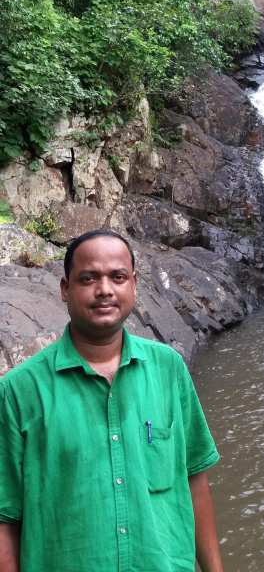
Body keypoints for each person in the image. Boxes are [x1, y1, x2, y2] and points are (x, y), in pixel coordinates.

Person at [0, 229, 224, 572]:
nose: (104, 289)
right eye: (88, 278)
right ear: (65, 289)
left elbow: (195, 479)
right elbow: (5, 520)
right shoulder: (19, 391)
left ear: (134, 284)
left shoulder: (168, 369)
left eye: (117, 277)